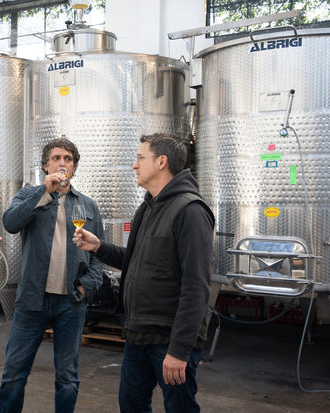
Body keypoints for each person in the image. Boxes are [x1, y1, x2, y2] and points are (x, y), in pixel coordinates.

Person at [73, 133, 215, 412]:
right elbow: (137, 261)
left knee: (180, 408)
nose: (134, 166)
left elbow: (196, 287)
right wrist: (99, 247)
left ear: (162, 162)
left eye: (140, 158)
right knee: (131, 405)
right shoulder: (148, 207)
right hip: (138, 334)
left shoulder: (190, 211)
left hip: (168, 338)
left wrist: (178, 351)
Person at [0, 137, 104, 413]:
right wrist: (42, 193)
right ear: (46, 165)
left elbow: (98, 257)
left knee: (67, 378)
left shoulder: (89, 206)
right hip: (32, 300)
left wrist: (85, 289)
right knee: (13, 375)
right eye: (56, 158)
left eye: (68, 159)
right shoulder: (28, 195)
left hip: (71, 302)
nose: (62, 163)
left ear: (74, 167)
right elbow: (10, 223)